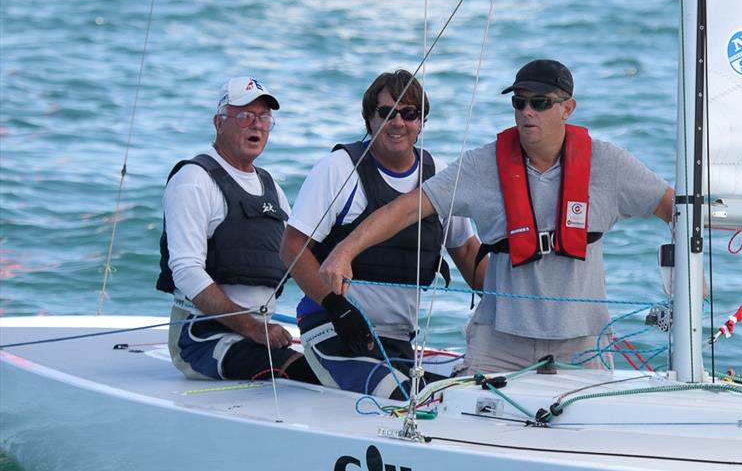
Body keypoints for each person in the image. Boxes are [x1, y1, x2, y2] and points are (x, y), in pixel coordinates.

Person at [319, 59, 674, 374]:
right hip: (500, 341)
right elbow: (407, 208)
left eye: (539, 103)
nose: (526, 112)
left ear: (568, 108)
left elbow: (674, 209)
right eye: (519, 103)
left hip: (580, 341)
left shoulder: (608, 163)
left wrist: (688, 278)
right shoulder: (482, 166)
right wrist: (344, 251)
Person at [280, 69, 485, 399]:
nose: (398, 122)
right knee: (406, 397)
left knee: (462, 396)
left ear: (421, 122)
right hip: (334, 330)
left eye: (409, 113)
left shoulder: (438, 177)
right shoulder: (338, 169)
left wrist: (522, 299)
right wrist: (335, 305)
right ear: (369, 119)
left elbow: (468, 255)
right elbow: (291, 248)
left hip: (398, 340)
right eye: (386, 112)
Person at [156, 76, 317, 383]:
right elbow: (186, 271)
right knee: (301, 370)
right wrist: (252, 328)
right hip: (200, 337)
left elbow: (302, 261)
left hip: (261, 333)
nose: (256, 125)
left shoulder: (273, 189)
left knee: (333, 365)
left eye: (264, 117)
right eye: (245, 116)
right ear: (219, 123)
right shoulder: (194, 179)